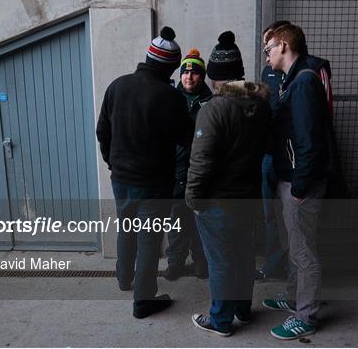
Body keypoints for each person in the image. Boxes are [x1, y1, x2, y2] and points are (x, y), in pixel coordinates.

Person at [96, 26, 192, 319]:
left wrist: (113, 162)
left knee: (126, 229)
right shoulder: (171, 97)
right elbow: (186, 138)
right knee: (149, 239)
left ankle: (124, 278)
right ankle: (143, 300)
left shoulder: (117, 86)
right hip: (154, 184)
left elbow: (102, 131)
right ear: (171, 66)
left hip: (121, 180)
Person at [185, 31, 270, 336]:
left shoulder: (214, 109)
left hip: (218, 202)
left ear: (215, 77)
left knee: (220, 261)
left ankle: (220, 320)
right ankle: (243, 310)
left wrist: (193, 201)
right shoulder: (260, 106)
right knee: (244, 254)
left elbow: (201, 162)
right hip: (247, 197)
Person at [261, 22, 331, 340]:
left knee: (303, 252)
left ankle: (306, 315)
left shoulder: (303, 83)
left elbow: (309, 142)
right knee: (294, 246)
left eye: (268, 50)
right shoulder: (294, 80)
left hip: (300, 184)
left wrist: (300, 186)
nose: (266, 57)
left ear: (284, 46)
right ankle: (293, 298)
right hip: (289, 178)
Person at [163, 49, 212, 281]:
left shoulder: (210, 102)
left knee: (200, 221)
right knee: (176, 222)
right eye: (185, 73)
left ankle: (201, 261)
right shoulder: (170, 99)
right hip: (175, 172)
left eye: (194, 74)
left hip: (201, 174)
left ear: (202, 76)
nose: (188, 77)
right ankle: (175, 262)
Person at [256, 23, 287, 281]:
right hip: (268, 154)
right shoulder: (268, 73)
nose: (267, 55)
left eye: (269, 47)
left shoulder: (306, 75)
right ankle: (273, 262)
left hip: (290, 157)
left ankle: (288, 266)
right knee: (269, 214)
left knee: (291, 215)